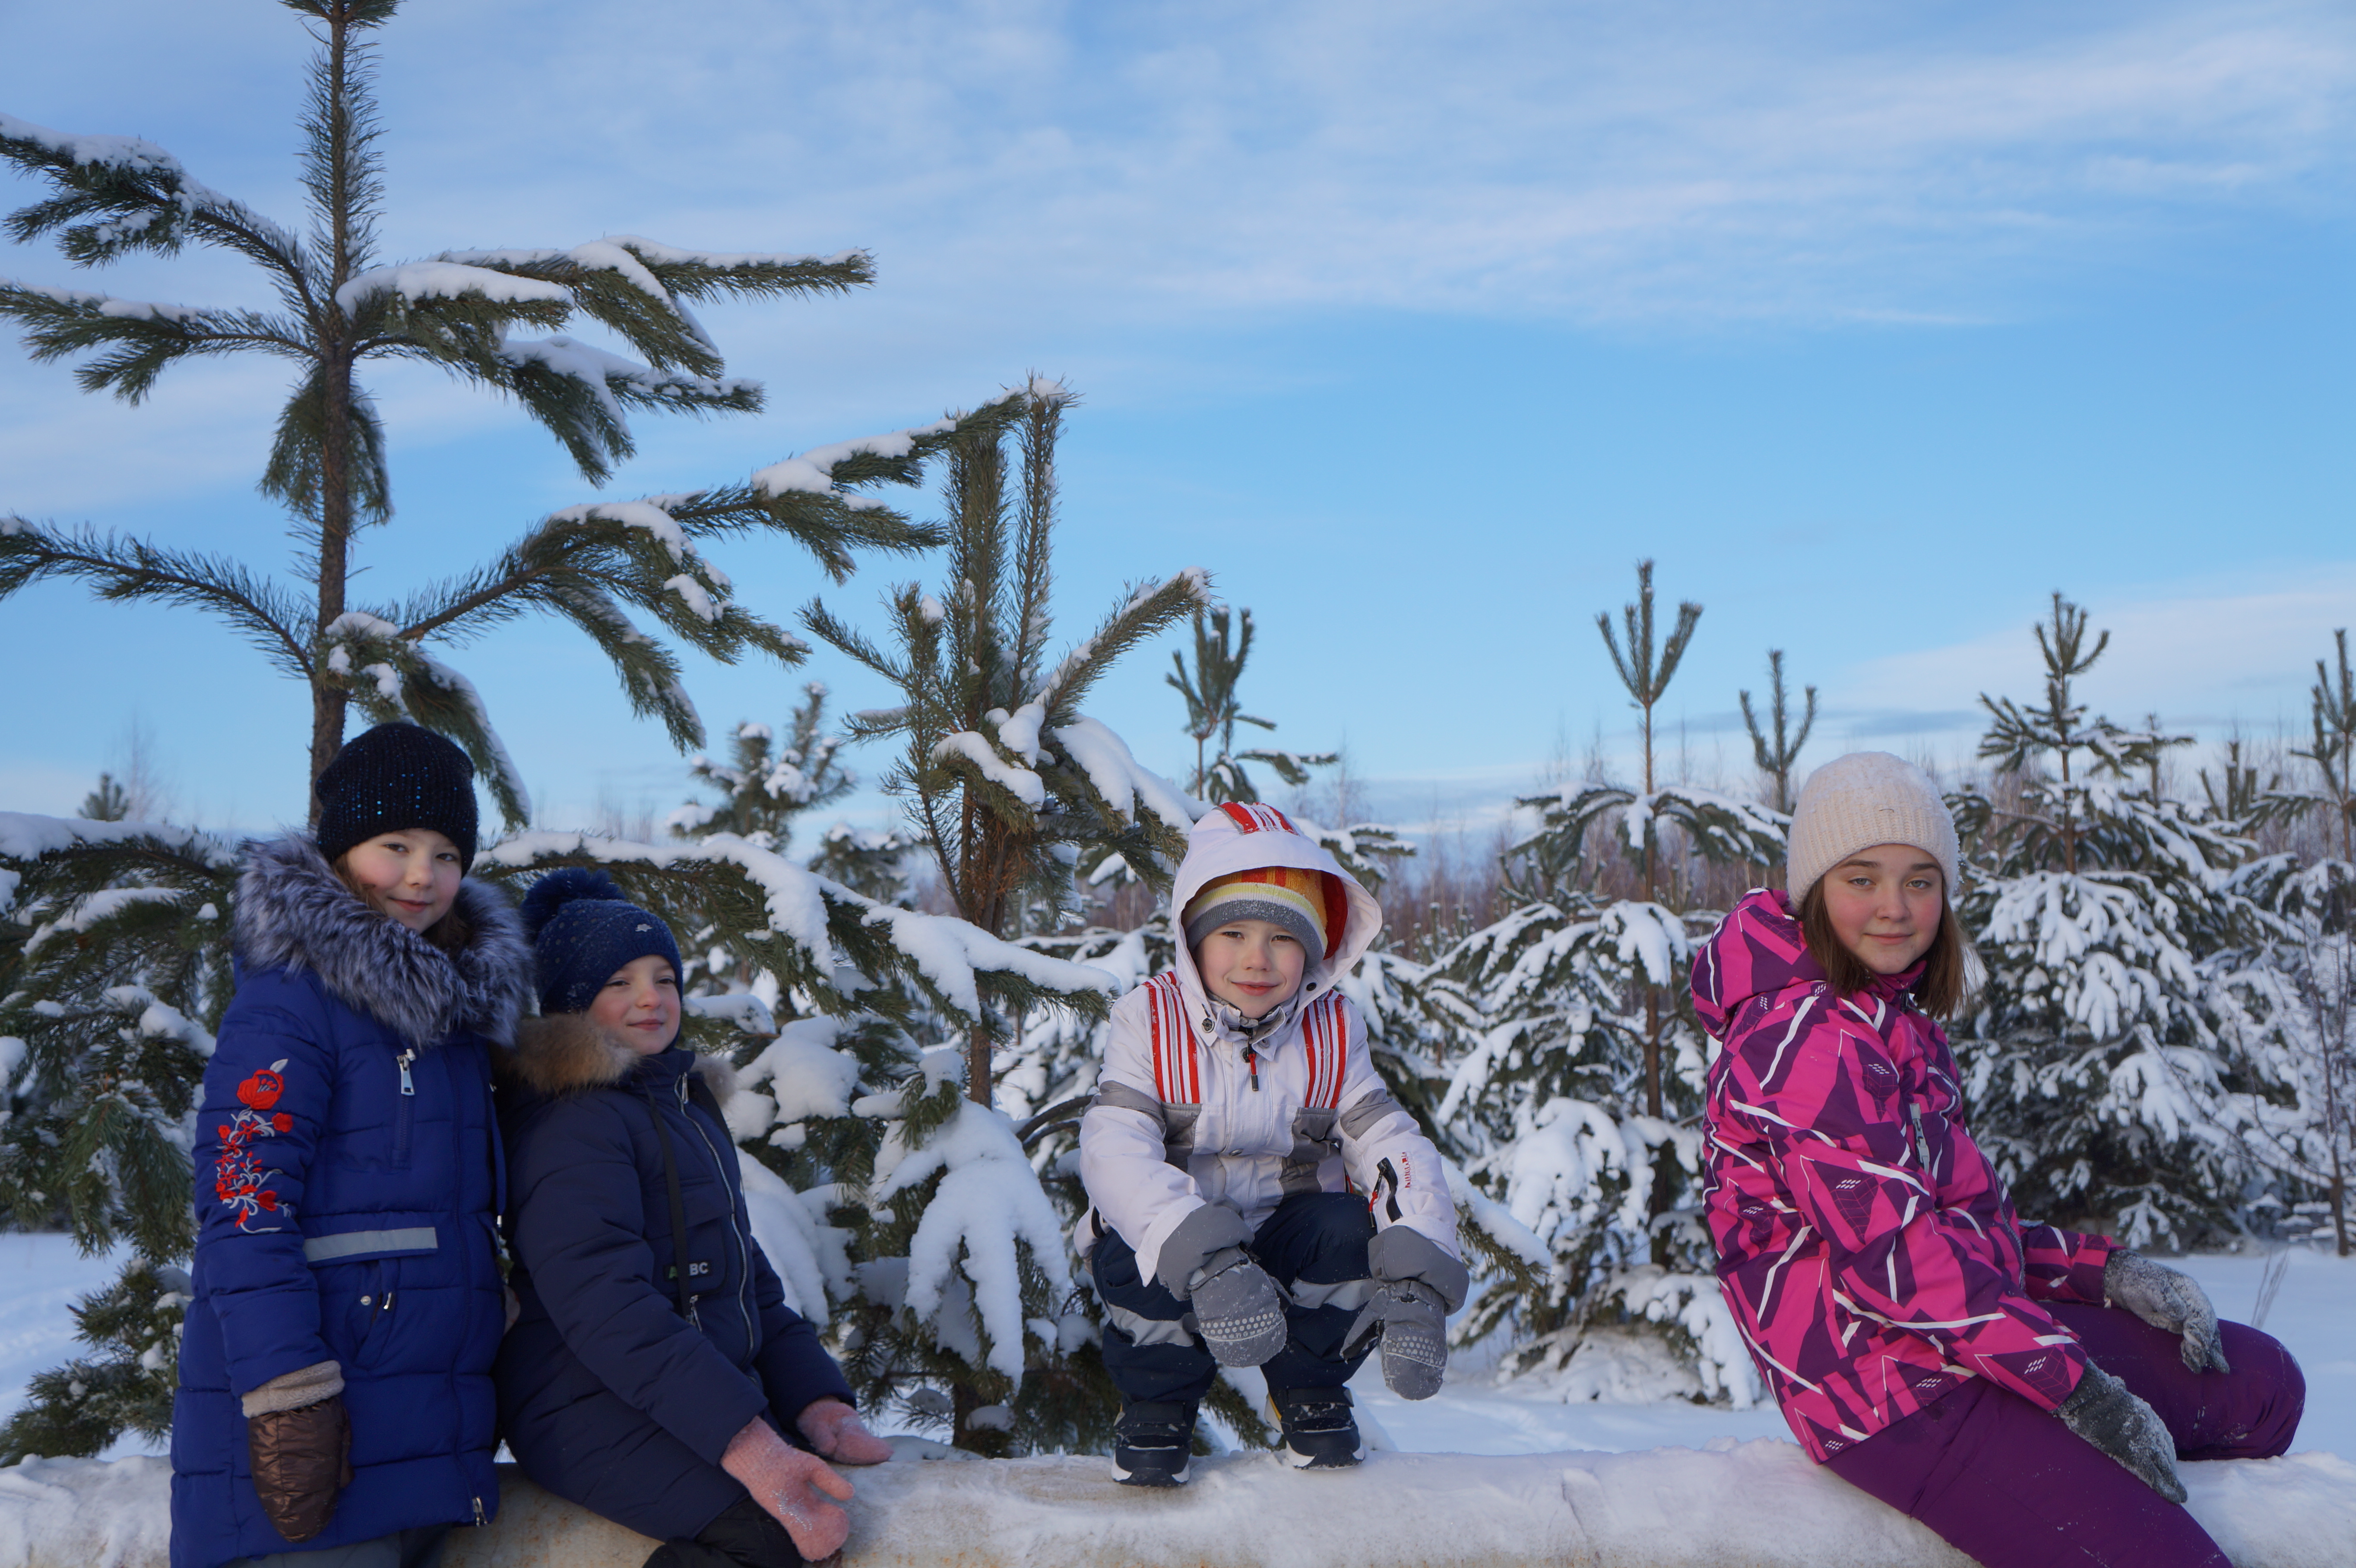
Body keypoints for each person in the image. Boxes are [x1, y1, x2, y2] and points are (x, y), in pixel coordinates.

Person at [1696, 751, 2305, 1568]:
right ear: (1813, 893)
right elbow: (1899, 1267)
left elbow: (1960, 1228)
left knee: (2261, 1387)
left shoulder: (1889, 1020)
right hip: (1892, 1392)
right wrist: (2078, 1391)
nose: (1895, 908)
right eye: (1862, 879)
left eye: (1920, 880)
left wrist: (2106, 1274)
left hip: (1962, 1338)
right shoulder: (1804, 1040)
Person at [171, 724, 531, 1568]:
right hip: (309, 1439)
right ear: (339, 851)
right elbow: (243, 1201)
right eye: (395, 844)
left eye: (447, 852)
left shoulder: (453, 1020)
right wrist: (287, 1395)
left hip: (422, 1442)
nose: (422, 875)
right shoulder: (290, 1003)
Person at [495, 869, 892, 1568]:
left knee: (825, 1516)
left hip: (674, 1398)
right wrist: (746, 1443)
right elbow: (607, 1307)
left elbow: (746, 1282)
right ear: (571, 1004)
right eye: (618, 983)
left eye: (664, 978)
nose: (650, 998)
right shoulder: (573, 1124)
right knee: (779, 1538)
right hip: (582, 1405)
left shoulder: (681, 1107)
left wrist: (816, 1402)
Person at [1078, 802, 1469, 1485]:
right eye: (1233, 932)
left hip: (1287, 1234)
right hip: (1182, 1234)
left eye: (1283, 940)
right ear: (1193, 938)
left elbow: (1386, 1139)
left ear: (1314, 953)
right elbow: (1116, 1149)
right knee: (1128, 1245)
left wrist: (1421, 1257)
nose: (1257, 960)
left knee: (1350, 1226)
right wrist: (1200, 1252)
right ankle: (1156, 1405)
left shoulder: (1332, 1029)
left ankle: (1311, 1391)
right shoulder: (1150, 1017)